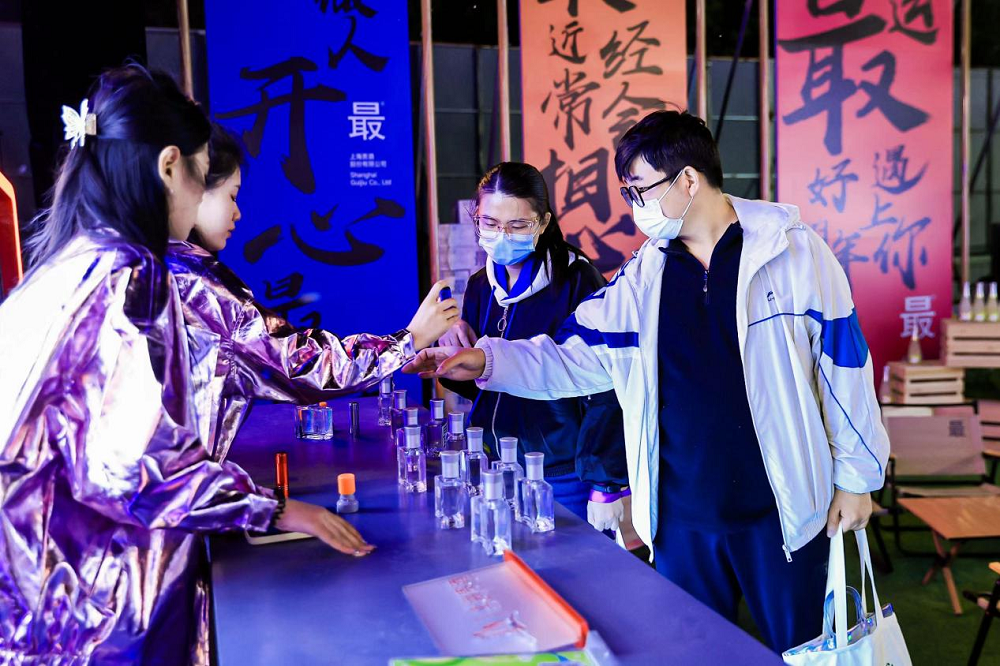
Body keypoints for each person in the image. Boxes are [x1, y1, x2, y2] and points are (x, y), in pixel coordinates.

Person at [406, 111, 889, 653]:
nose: (635, 205)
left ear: (688, 180)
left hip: (783, 511)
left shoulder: (793, 253)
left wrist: (856, 478)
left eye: (639, 189)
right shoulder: (645, 273)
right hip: (680, 518)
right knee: (694, 653)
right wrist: (486, 361)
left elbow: (845, 369)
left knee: (805, 651)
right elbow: (573, 357)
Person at [0, 65, 369, 666]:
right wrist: (274, 509)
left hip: (35, 602)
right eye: (205, 180)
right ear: (170, 166)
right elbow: (141, 468)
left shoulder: (65, 265)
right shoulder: (130, 274)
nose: (202, 200)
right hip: (97, 607)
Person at [166, 124, 458, 460]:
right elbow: (299, 363)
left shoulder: (141, 261)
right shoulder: (198, 283)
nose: (238, 212)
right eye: (231, 196)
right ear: (190, 184)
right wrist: (408, 340)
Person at [435, 162, 628, 521]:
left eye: (518, 225)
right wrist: (453, 355)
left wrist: (605, 482)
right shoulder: (480, 285)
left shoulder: (577, 282)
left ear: (542, 222)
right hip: (495, 463)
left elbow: (608, 386)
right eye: (490, 223)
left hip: (562, 473)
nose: (502, 236)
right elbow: (483, 389)